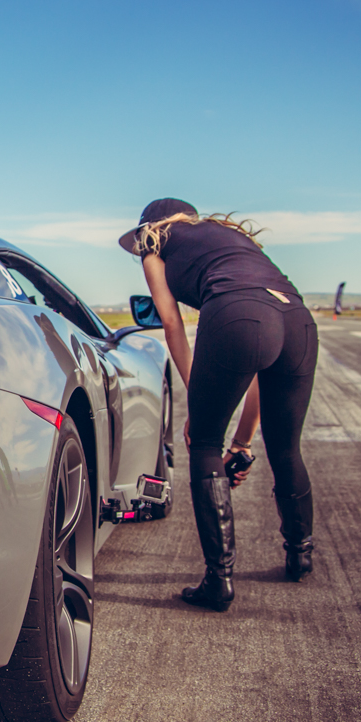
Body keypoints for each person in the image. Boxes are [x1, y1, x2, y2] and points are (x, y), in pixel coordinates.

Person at [119, 198, 318, 612]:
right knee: (286, 447)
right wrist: (243, 444)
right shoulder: (233, 237)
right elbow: (263, 370)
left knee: (204, 441)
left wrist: (198, 397)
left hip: (236, 312)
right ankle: (300, 556)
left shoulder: (156, 243)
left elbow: (170, 323)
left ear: (147, 228)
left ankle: (219, 579)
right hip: (297, 319)